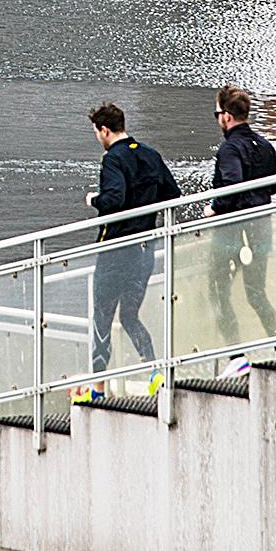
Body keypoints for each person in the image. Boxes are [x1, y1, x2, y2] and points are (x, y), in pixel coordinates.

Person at [87, 103, 179, 381]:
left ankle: (98, 384)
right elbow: (173, 194)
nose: (97, 138)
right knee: (129, 315)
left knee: (102, 315)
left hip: (115, 250)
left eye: (96, 132)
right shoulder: (151, 155)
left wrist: (93, 200)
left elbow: (114, 199)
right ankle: (154, 370)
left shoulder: (112, 159)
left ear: (105, 130)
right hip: (144, 250)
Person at [209, 83, 276, 339]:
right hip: (261, 227)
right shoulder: (263, 144)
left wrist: (214, 209)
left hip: (233, 232)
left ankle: (235, 354)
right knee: (256, 292)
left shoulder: (229, 149)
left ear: (227, 116)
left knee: (218, 291)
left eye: (217, 114)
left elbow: (232, 185)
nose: (218, 119)